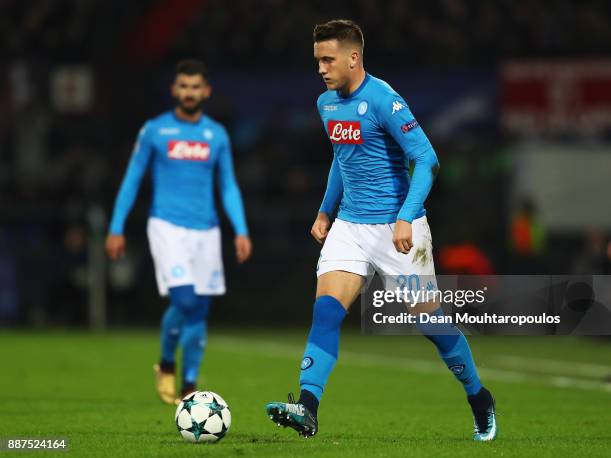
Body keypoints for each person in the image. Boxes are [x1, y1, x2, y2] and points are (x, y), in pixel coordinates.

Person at [265, 20, 496, 442]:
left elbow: (426, 160)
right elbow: (342, 157)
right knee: (326, 312)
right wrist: (324, 210)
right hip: (350, 228)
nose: (321, 68)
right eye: (317, 60)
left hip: (397, 230)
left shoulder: (385, 100)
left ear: (354, 58)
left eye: (328, 59)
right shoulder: (327, 104)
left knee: (430, 323)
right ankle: (308, 407)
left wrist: (407, 215)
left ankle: (479, 396)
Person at [106, 59, 252, 404]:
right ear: (174, 90)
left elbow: (228, 185)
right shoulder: (155, 131)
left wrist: (241, 230)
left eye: (195, 87)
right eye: (183, 86)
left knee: (199, 309)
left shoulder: (216, 134)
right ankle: (168, 361)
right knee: (185, 299)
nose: (189, 93)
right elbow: (132, 179)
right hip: (166, 226)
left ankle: (189, 385)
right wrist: (116, 227)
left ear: (206, 91)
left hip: (207, 230)